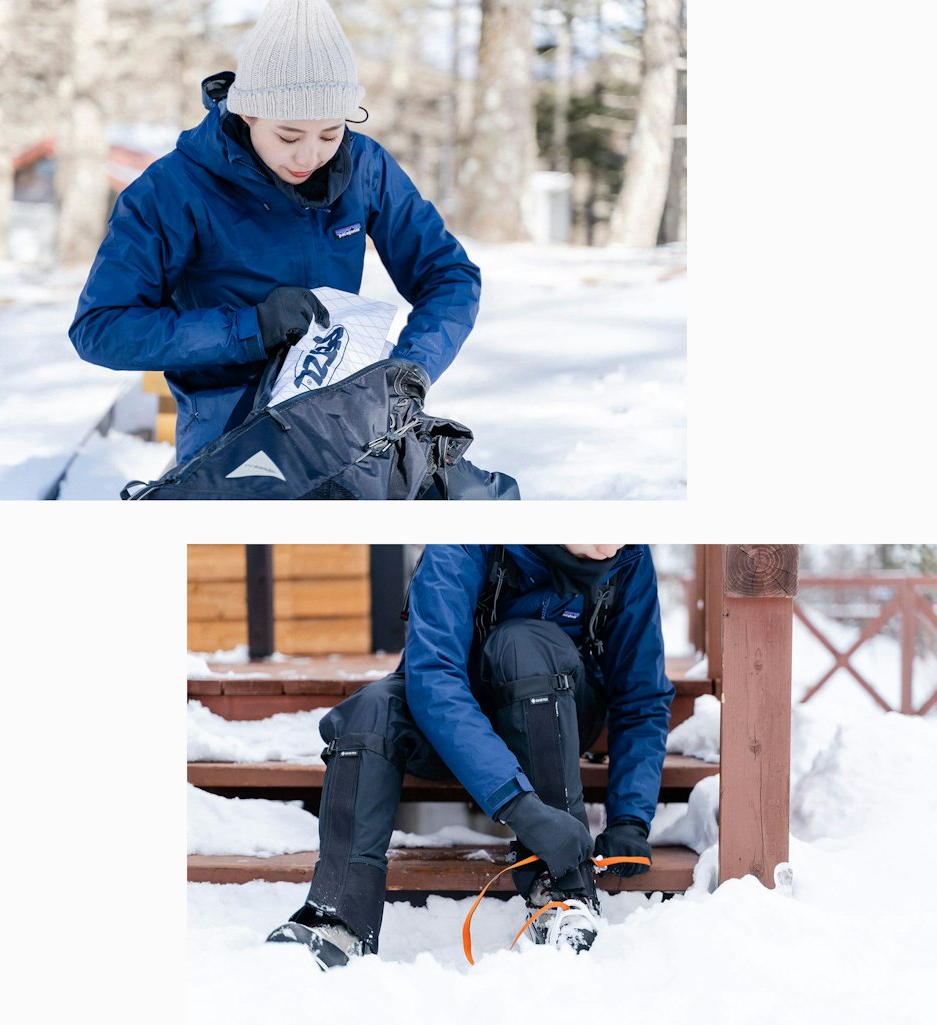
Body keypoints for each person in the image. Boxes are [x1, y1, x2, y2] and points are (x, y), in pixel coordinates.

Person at [69, 0, 480, 464]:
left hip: (347, 414)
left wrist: (411, 368)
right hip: (229, 429)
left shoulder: (365, 165)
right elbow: (100, 329)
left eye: (329, 134)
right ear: (248, 115)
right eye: (288, 137)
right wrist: (250, 327)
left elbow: (449, 275)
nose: (309, 157)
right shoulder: (172, 190)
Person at [268, 544, 674, 968]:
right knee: (371, 711)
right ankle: (338, 920)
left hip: (556, 704)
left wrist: (630, 818)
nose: (611, 543)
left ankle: (565, 895)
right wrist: (520, 806)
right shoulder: (465, 534)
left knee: (522, 643)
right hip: (453, 715)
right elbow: (433, 678)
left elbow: (642, 697)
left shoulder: (629, 557)